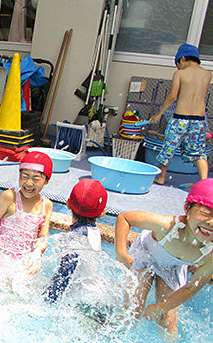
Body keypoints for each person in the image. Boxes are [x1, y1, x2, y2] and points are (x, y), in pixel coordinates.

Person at [115, 178, 213, 338]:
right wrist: (121, 253)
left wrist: (161, 307)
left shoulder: (211, 253)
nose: (211, 223)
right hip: (145, 256)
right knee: (133, 310)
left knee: (168, 322)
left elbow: (191, 288)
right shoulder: (167, 226)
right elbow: (125, 218)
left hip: (173, 267)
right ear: (187, 208)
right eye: (205, 214)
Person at [42, 179, 116, 324]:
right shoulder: (93, 231)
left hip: (85, 303)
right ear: (102, 214)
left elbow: (66, 271)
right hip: (101, 298)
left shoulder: (76, 238)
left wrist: (48, 299)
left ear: (68, 203)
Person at [0, 151, 53, 281]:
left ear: (46, 181)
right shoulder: (10, 197)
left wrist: (37, 253)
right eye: (24, 176)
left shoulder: (47, 205)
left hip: (23, 263)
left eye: (36, 179)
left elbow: (43, 236)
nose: (29, 183)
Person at [149, 44, 212, 185]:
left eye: (178, 64)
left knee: (168, 147)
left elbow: (172, 97)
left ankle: (161, 177)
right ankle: (204, 183)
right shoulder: (207, 74)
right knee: (200, 152)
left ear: (182, 58)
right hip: (199, 120)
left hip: (180, 119)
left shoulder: (180, 74)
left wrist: (159, 114)